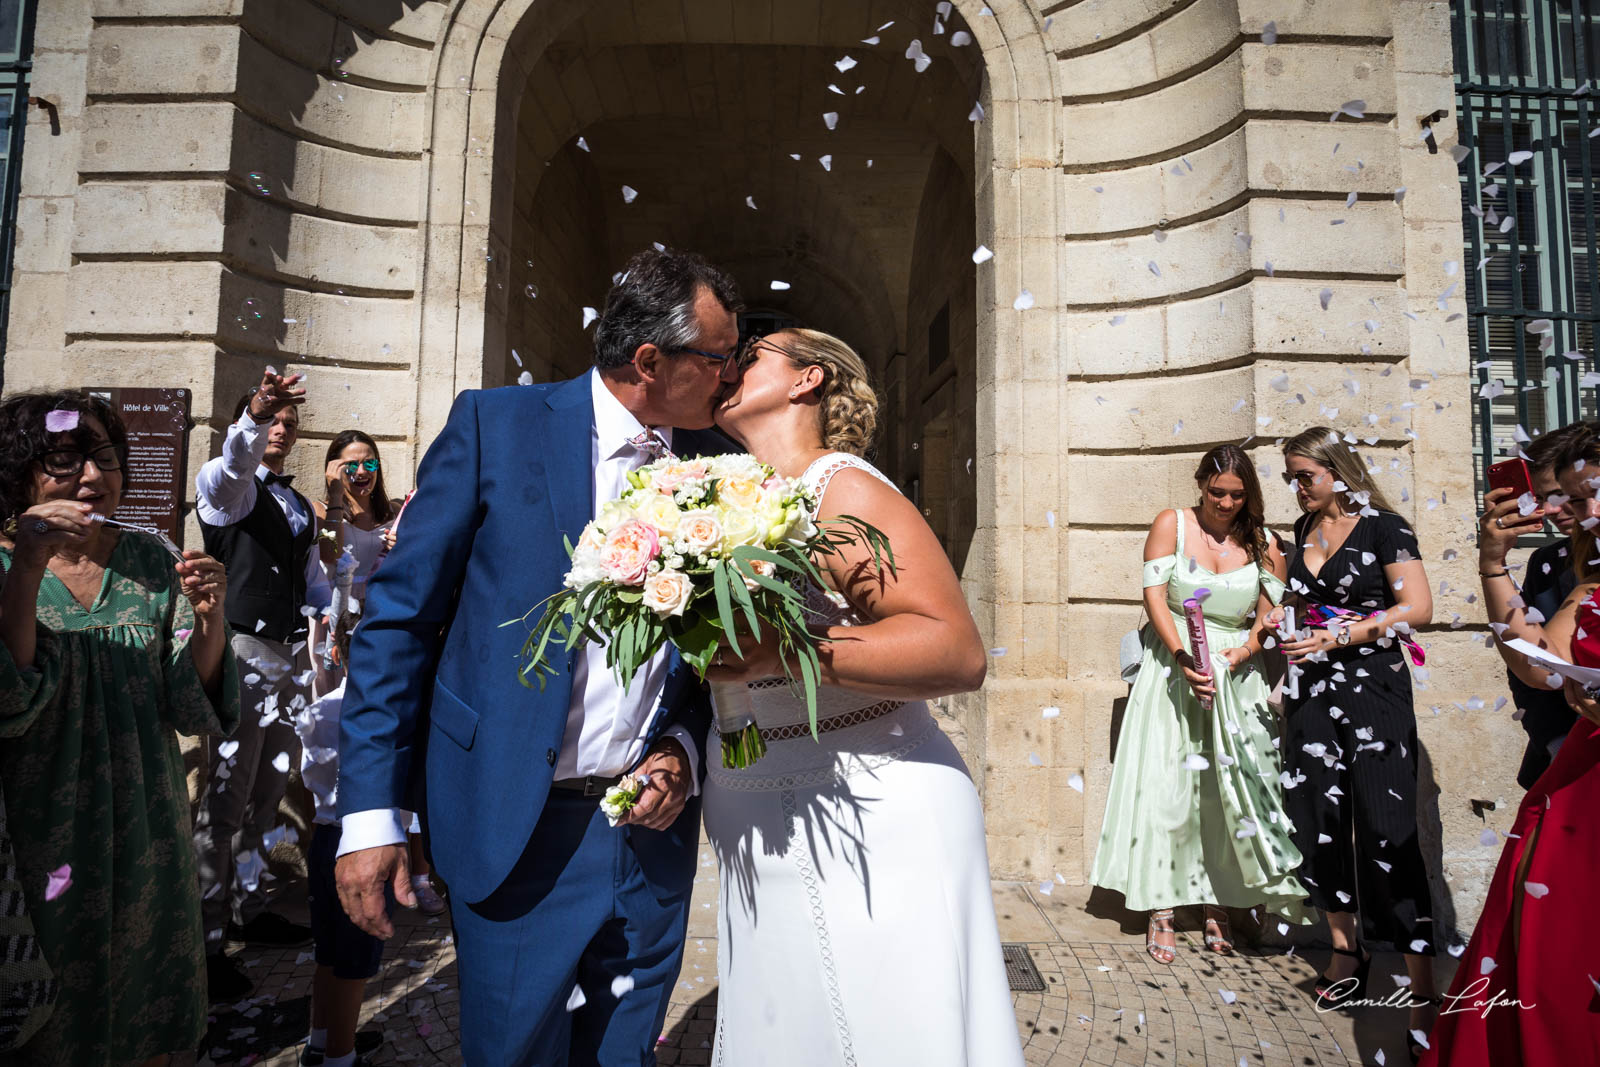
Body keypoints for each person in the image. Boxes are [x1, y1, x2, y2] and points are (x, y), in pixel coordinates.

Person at [335, 247, 742, 1065]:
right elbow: (398, 625)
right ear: (650, 361)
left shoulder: (717, 478)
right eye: (719, 358)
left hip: (651, 840)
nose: (730, 378)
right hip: (515, 828)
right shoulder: (494, 427)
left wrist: (683, 748)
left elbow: (704, 658)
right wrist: (370, 813)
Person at [702, 328, 1024, 1065]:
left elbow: (956, 648)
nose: (730, 364)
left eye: (753, 351)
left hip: (875, 811)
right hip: (759, 810)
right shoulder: (728, 501)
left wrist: (785, 652)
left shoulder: (842, 487)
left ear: (807, 379)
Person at [0, 392, 239, 1065]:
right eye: (63, 461)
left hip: (146, 834)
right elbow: (9, 697)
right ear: (21, 473)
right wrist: (26, 565)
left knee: (147, 1010)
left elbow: (189, 701)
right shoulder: (1, 564)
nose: (90, 477)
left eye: (105, 458)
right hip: (39, 835)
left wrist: (211, 617)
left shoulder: (150, 565)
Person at [1090, 444, 1310, 965]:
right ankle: (1160, 907)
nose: (1226, 503)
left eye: (1237, 494)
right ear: (1200, 484)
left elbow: (1269, 616)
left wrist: (1244, 652)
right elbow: (1154, 596)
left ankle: (1221, 904)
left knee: (1229, 790)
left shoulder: (1266, 543)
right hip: (1173, 669)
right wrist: (1185, 657)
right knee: (1167, 787)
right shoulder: (1172, 523)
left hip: (1237, 674)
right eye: (1217, 492)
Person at [1420, 427, 1600, 1064]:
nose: (1580, 515)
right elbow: (1540, 668)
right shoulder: (1585, 578)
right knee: (1559, 948)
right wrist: (1493, 564)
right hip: (1582, 785)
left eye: (1587, 497)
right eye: (1573, 502)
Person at [1271, 427, 1438, 1049]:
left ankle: (1421, 989)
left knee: (1386, 831)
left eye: (1304, 476)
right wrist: (1283, 631)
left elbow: (1417, 608)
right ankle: (1347, 952)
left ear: (1337, 471)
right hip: (1313, 693)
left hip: (1375, 693)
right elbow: (1300, 605)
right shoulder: (1301, 532)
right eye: (1291, 477)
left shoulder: (1384, 527)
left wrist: (1339, 636)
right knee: (1315, 820)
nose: (1296, 487)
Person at [192, 370, 323, 1001]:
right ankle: (203, 942)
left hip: (291, 654)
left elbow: (315, 583)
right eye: (272, 420)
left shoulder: (299, 505)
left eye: (289, 424)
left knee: (266, 795)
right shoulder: (225, 487)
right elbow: (233, 466)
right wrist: (255, 414)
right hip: (242, 648)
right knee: (223, 800)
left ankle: (247, 906)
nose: (280, 431)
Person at [293, 609, 387, 1067]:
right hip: (356, 845)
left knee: (327, 954)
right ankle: (340, 1057)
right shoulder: (374, 719)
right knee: (354, 962)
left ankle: (319, 1040)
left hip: (324, 838)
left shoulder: (318, 710)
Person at [1492, 422, 1591, 788]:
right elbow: (1533, 669)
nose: (1548, 510)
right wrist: (1492, 566)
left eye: (1562, 495)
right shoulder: (1548, 563)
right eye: (1540, 498)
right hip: (1569, 759)